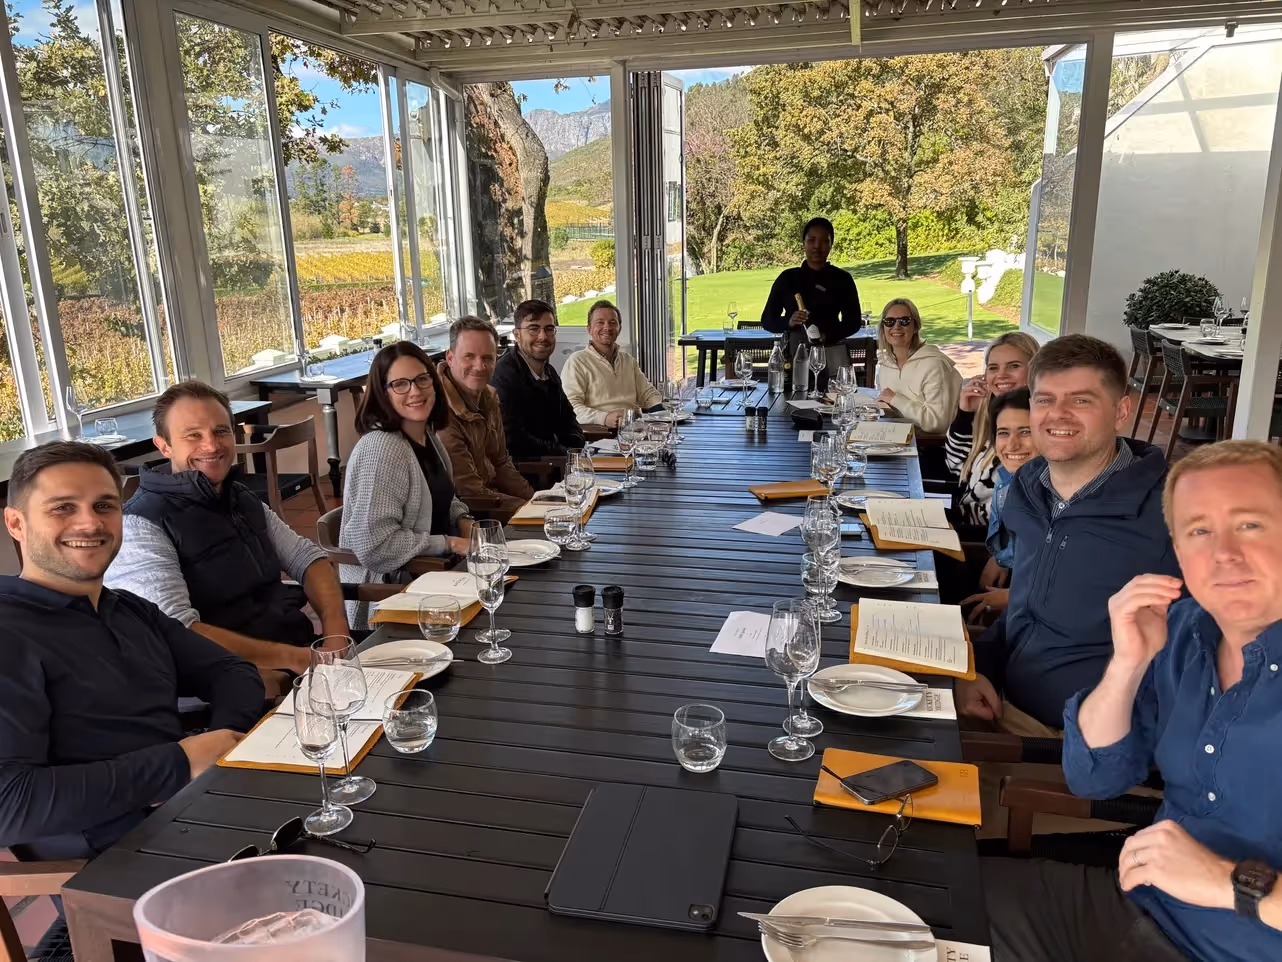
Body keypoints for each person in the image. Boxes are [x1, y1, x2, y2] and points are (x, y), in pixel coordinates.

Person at [984, 440, 1282, 962]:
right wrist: (1127, 665)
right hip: (1133, 911)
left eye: (1250, 524)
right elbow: (1094, 777)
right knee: (929, 903)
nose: (1224, 554)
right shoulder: (1187, 631)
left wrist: (1229, 883)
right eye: (1199, 531)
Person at [0, 441, 264, 864]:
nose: (90, 523)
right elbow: (7, 804)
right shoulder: (9, 632)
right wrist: (176, 765)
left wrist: (214, 751)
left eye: (105, 506)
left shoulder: (126, 607)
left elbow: (232, 672)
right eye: (63, 508)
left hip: (194, 816)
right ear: (16, 523)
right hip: (115, 866)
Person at [957, 334, 1180, 735]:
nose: (1057, 415)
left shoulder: (1172, 513)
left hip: (1069, 744)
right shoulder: (1029, 484)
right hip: (1000, 698)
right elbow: (1022, 614)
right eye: (1044, 400)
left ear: (1121, 410)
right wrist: (975, 670)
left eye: (1080, 400)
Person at [105, 381, 347, 678]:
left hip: (301, 657)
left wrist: (335, 636)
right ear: (164, 445)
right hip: (239, 681)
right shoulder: (141, 524)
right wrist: (294, 659)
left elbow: (307, 559)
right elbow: (178, 630)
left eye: (221, 431)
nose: (212, 445)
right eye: (194, 435)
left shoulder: (238, 496)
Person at [340, 342, 472, 627]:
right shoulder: (382, 449)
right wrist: (449, 543)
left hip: (435, 579)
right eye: (400, 384)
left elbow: (443, 498)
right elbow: (374, 546)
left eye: (422, 379)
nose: (415, 391)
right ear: (382, 394)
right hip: (393, 593)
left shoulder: (427, 436)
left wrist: (464, 520)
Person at [436, 315, 534, 520]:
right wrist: (529, 511)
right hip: (470, 518)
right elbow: (468, 491)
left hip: (498, 502)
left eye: (487, 358)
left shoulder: (489, 396)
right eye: (469, 356)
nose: (479, 366)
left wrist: (536, 500)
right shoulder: (439, 408)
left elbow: (501, 462)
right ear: (450, 358)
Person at [944, 332, 1041, 527]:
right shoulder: (991, 415)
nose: (1001, 375)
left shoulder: (1037, 423)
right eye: (993, 368)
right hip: (961, 517)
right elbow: (956, 468)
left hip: (976, 538)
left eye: (1014, 366)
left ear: (1036, 370)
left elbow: (1002, 518)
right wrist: (965, 415)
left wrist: (943, 522)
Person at [959, 387, 1034, 621]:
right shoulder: (1007, 477)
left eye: (1025, 432)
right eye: (1003, 433)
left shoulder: (1059, 491)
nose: (1012, 445)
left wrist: (1017, 596)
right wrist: (1000, 555)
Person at [760, 216, 863, 379]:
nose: (817, 246)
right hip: (794, 354)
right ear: (803, 243)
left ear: (831, 245)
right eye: (812, 240)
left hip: (833, 351)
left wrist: (827, 335)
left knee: (833, 399)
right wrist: (788, 321)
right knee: (793, 399)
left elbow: (854, 322)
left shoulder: (842, 279)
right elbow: (767, 320)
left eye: (824, 241)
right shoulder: (788, 278)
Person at [491, 299, 586, 460]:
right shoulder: (503, 376)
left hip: (562, 465)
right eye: (533, 328)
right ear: (517, 335)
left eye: (549, 329)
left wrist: (573, 448)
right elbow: (515, 440)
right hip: (533, 474)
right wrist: (565, 453)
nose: (543, 336)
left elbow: (570, 422)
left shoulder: (550, 373)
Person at [560, 300, 663, 428]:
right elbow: (570, 407)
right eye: (600, 322)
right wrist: (604, 418)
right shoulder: (577, 362)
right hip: (601, 435)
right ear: (589, 329)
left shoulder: (627, 360)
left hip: (635, 429)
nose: (607, 327)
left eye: (612, 323)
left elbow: (648, 395)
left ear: (619, 329)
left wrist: (663, 414)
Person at [873, 298, 962, 436]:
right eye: (889, 321)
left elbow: (937, 423)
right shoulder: (886, 363)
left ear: (915, 327)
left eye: (904, 321)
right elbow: (888, 406)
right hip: (893, 436)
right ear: (883, 328)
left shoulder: (934, 365)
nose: (896, 327)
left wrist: (895, 399)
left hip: (928, 447)